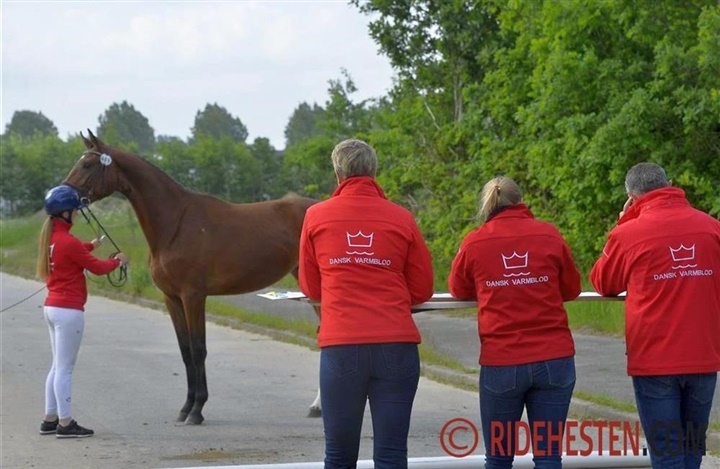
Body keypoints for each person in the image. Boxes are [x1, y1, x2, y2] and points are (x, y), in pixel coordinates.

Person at [298, 139, 434, 469]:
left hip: (342, 346)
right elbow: (422, 288)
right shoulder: (401, 218)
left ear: (337, 173)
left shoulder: (315, 216)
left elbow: (311, 286)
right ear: (373, 171)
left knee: (339, 456)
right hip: (397, 346)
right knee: (391, 454)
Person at [590, 163, 720, 468]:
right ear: (671, 184)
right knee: (691, 450)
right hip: (703, 355)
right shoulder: (711, 228)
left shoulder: (628, 234)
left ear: (631, 197)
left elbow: (603, 281)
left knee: (666, 454)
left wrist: (624, 222)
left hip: (655, 359)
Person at [448, 176, 581, 469]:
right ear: (521, 201)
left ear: (487, 205)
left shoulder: (475, 241)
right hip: (554, 359)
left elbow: (458, 288)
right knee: (549, 457)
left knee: (498, 458)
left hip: (502, 362)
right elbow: (571, 288)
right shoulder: (549, 235)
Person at [37, 184, 128, 438]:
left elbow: (74, 252)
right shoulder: (67, 241)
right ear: (66, 213)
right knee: (64, 369)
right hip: (68, 311)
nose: (77, 214)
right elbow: (98, 269)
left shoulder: (53, 238)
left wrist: (89, 245)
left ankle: (50, 419)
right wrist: (118, 261)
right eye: (75, 211)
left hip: (52, 307)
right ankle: (65, 424)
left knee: (56, 367)